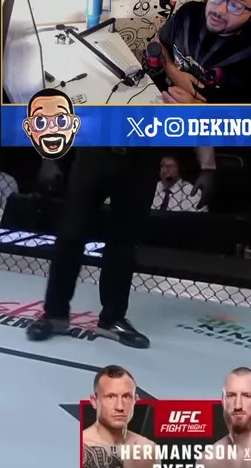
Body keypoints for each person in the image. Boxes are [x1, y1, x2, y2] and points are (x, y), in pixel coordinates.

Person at [24, 145, 217, 349]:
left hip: (141, 158)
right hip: (96, 152)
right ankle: (55, 313)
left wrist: (208, 167)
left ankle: (112, 318)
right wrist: (49, 157)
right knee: (70, 233)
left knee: (124, 240)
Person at [81, 365, 157, 468]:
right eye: (110, 397)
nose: (120, 407)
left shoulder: (148, 447)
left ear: (135, 401)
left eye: (126, 397)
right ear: (94, 401)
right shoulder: (80, 447)